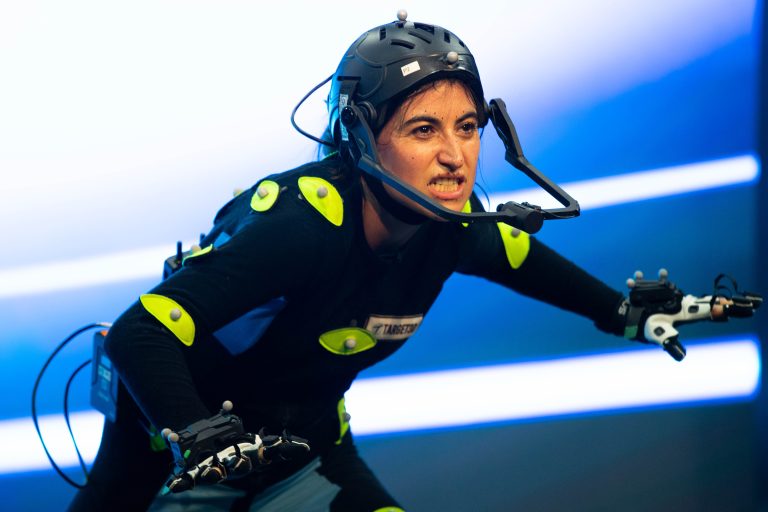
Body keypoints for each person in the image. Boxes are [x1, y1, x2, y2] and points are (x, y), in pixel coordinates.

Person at [67, 11, 755, 512]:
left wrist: (627, 313)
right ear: (359, 138)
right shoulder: (301, 226)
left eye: (468, 127)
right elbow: (139, 332)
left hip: (307, 451)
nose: (455, 157)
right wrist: (197, 436)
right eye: (423, 129)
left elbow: (527, 263)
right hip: (173, 459)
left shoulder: (453, 227)